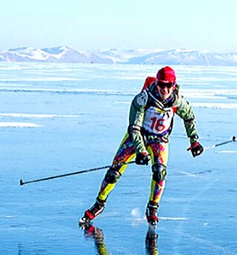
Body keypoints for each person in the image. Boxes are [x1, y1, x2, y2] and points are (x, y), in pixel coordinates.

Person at [80, 66, 203, 226]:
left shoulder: (177, 101)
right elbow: (134, 127)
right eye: (162, 85)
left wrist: (194, 141)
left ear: (174, 85)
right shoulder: (143, 99)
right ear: (157, 83)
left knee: (160, 172)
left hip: (159, 139)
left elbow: (189, 117)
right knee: (114, 172)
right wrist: (141, 151)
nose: (165, 90)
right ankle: (99, 203)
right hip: (137, 137)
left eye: (169, 86)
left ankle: (152, 207)